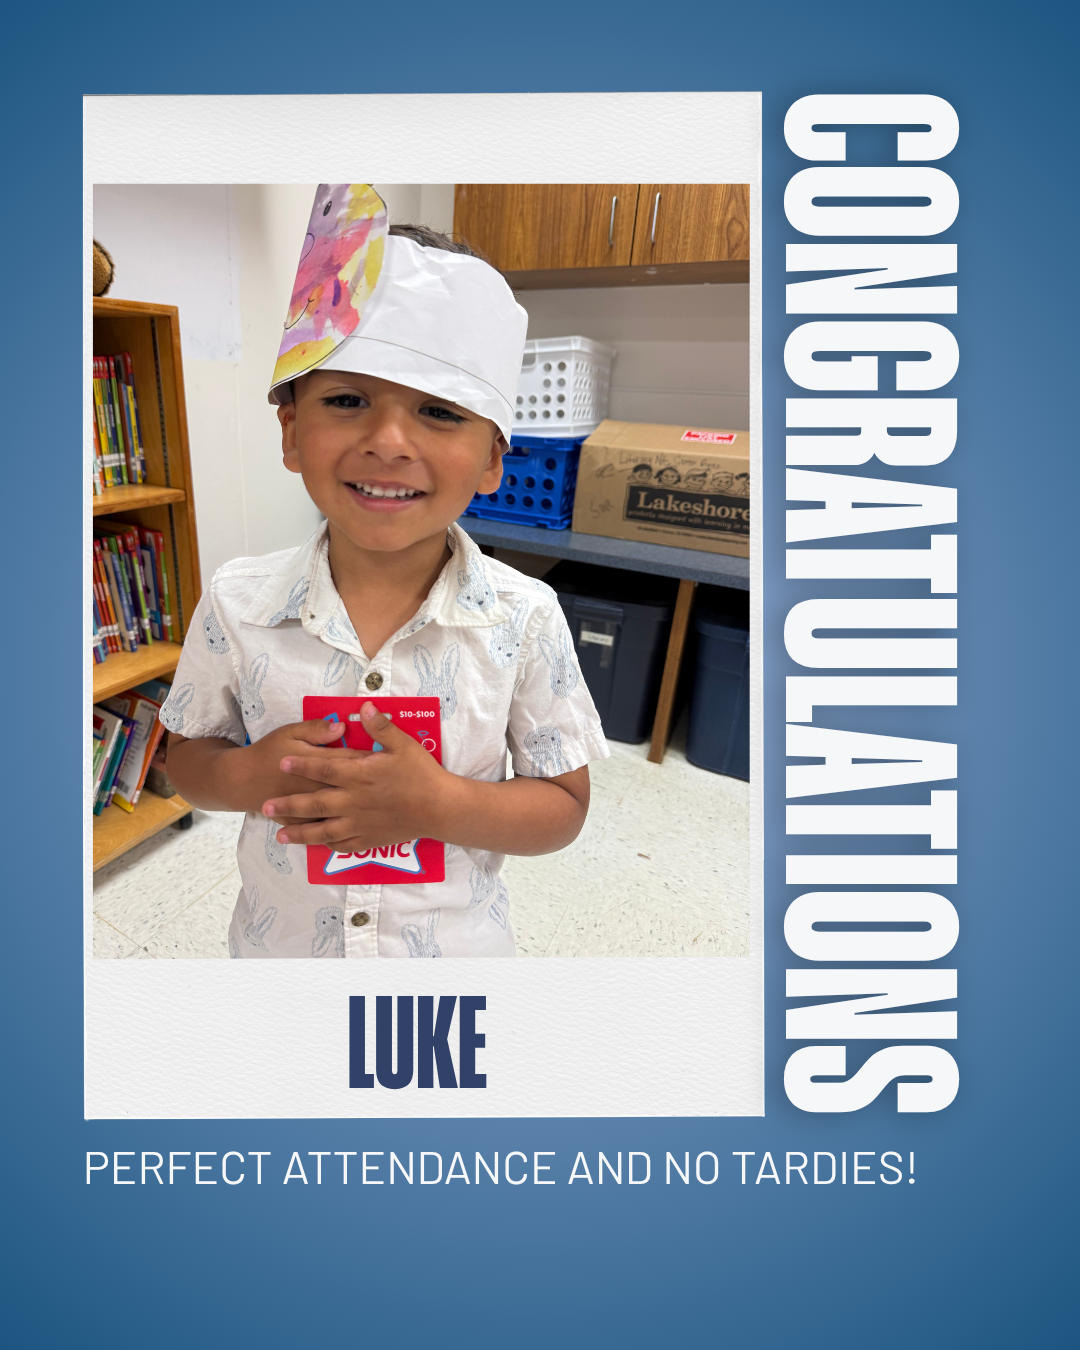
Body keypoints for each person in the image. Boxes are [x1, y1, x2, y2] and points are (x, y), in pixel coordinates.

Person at [161, 185, 608, 959]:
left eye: (440, 411)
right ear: (291, 431)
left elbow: (562, 807)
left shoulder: (524, 617)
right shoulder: (237, 603)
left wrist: (440, 804)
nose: (390, 440)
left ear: (497, 458)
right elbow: (187, 765)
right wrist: (252, 775)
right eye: (348, 399)